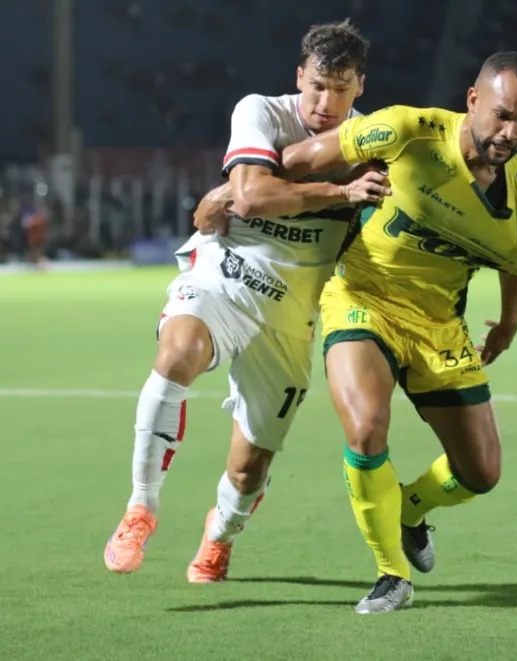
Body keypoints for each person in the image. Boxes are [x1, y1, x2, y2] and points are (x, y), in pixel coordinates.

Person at [103, 19, 390, 583]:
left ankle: (219, 535)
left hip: (291, 316)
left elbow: (251, 191)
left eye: (340, 89)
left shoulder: (373, 141)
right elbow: (253, 197)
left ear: (360, 86)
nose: (325, 102)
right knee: (176, 354)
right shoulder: (261, 110)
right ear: (299, 76)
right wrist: (340, 192)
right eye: (316, 86)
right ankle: (141, 507)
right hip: (226, 276)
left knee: (248, 468)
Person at [277, 51, 517, 613]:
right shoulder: (407, 130)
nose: (511, 132)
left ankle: (408, 509)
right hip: (363, 298)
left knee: (481, 473)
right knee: (366, 429)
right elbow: (298, 159)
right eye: (502, 115)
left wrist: (510, 321)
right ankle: (391, 574)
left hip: (439, 327)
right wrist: (248, 188)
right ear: (473, 100)